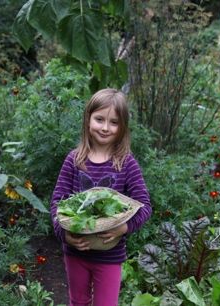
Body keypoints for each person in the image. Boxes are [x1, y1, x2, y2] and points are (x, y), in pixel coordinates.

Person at [50, 88, 152, 306]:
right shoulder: (74, 160)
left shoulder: (126, 163)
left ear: (122, 127)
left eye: (114, 122)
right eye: (99, 119)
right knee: (78, 302)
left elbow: (144, 206)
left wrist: (123, 228)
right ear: (88, 120)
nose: (105, 128)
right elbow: (57, 202)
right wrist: (65, 236)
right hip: (76, 250)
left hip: (110, 254)